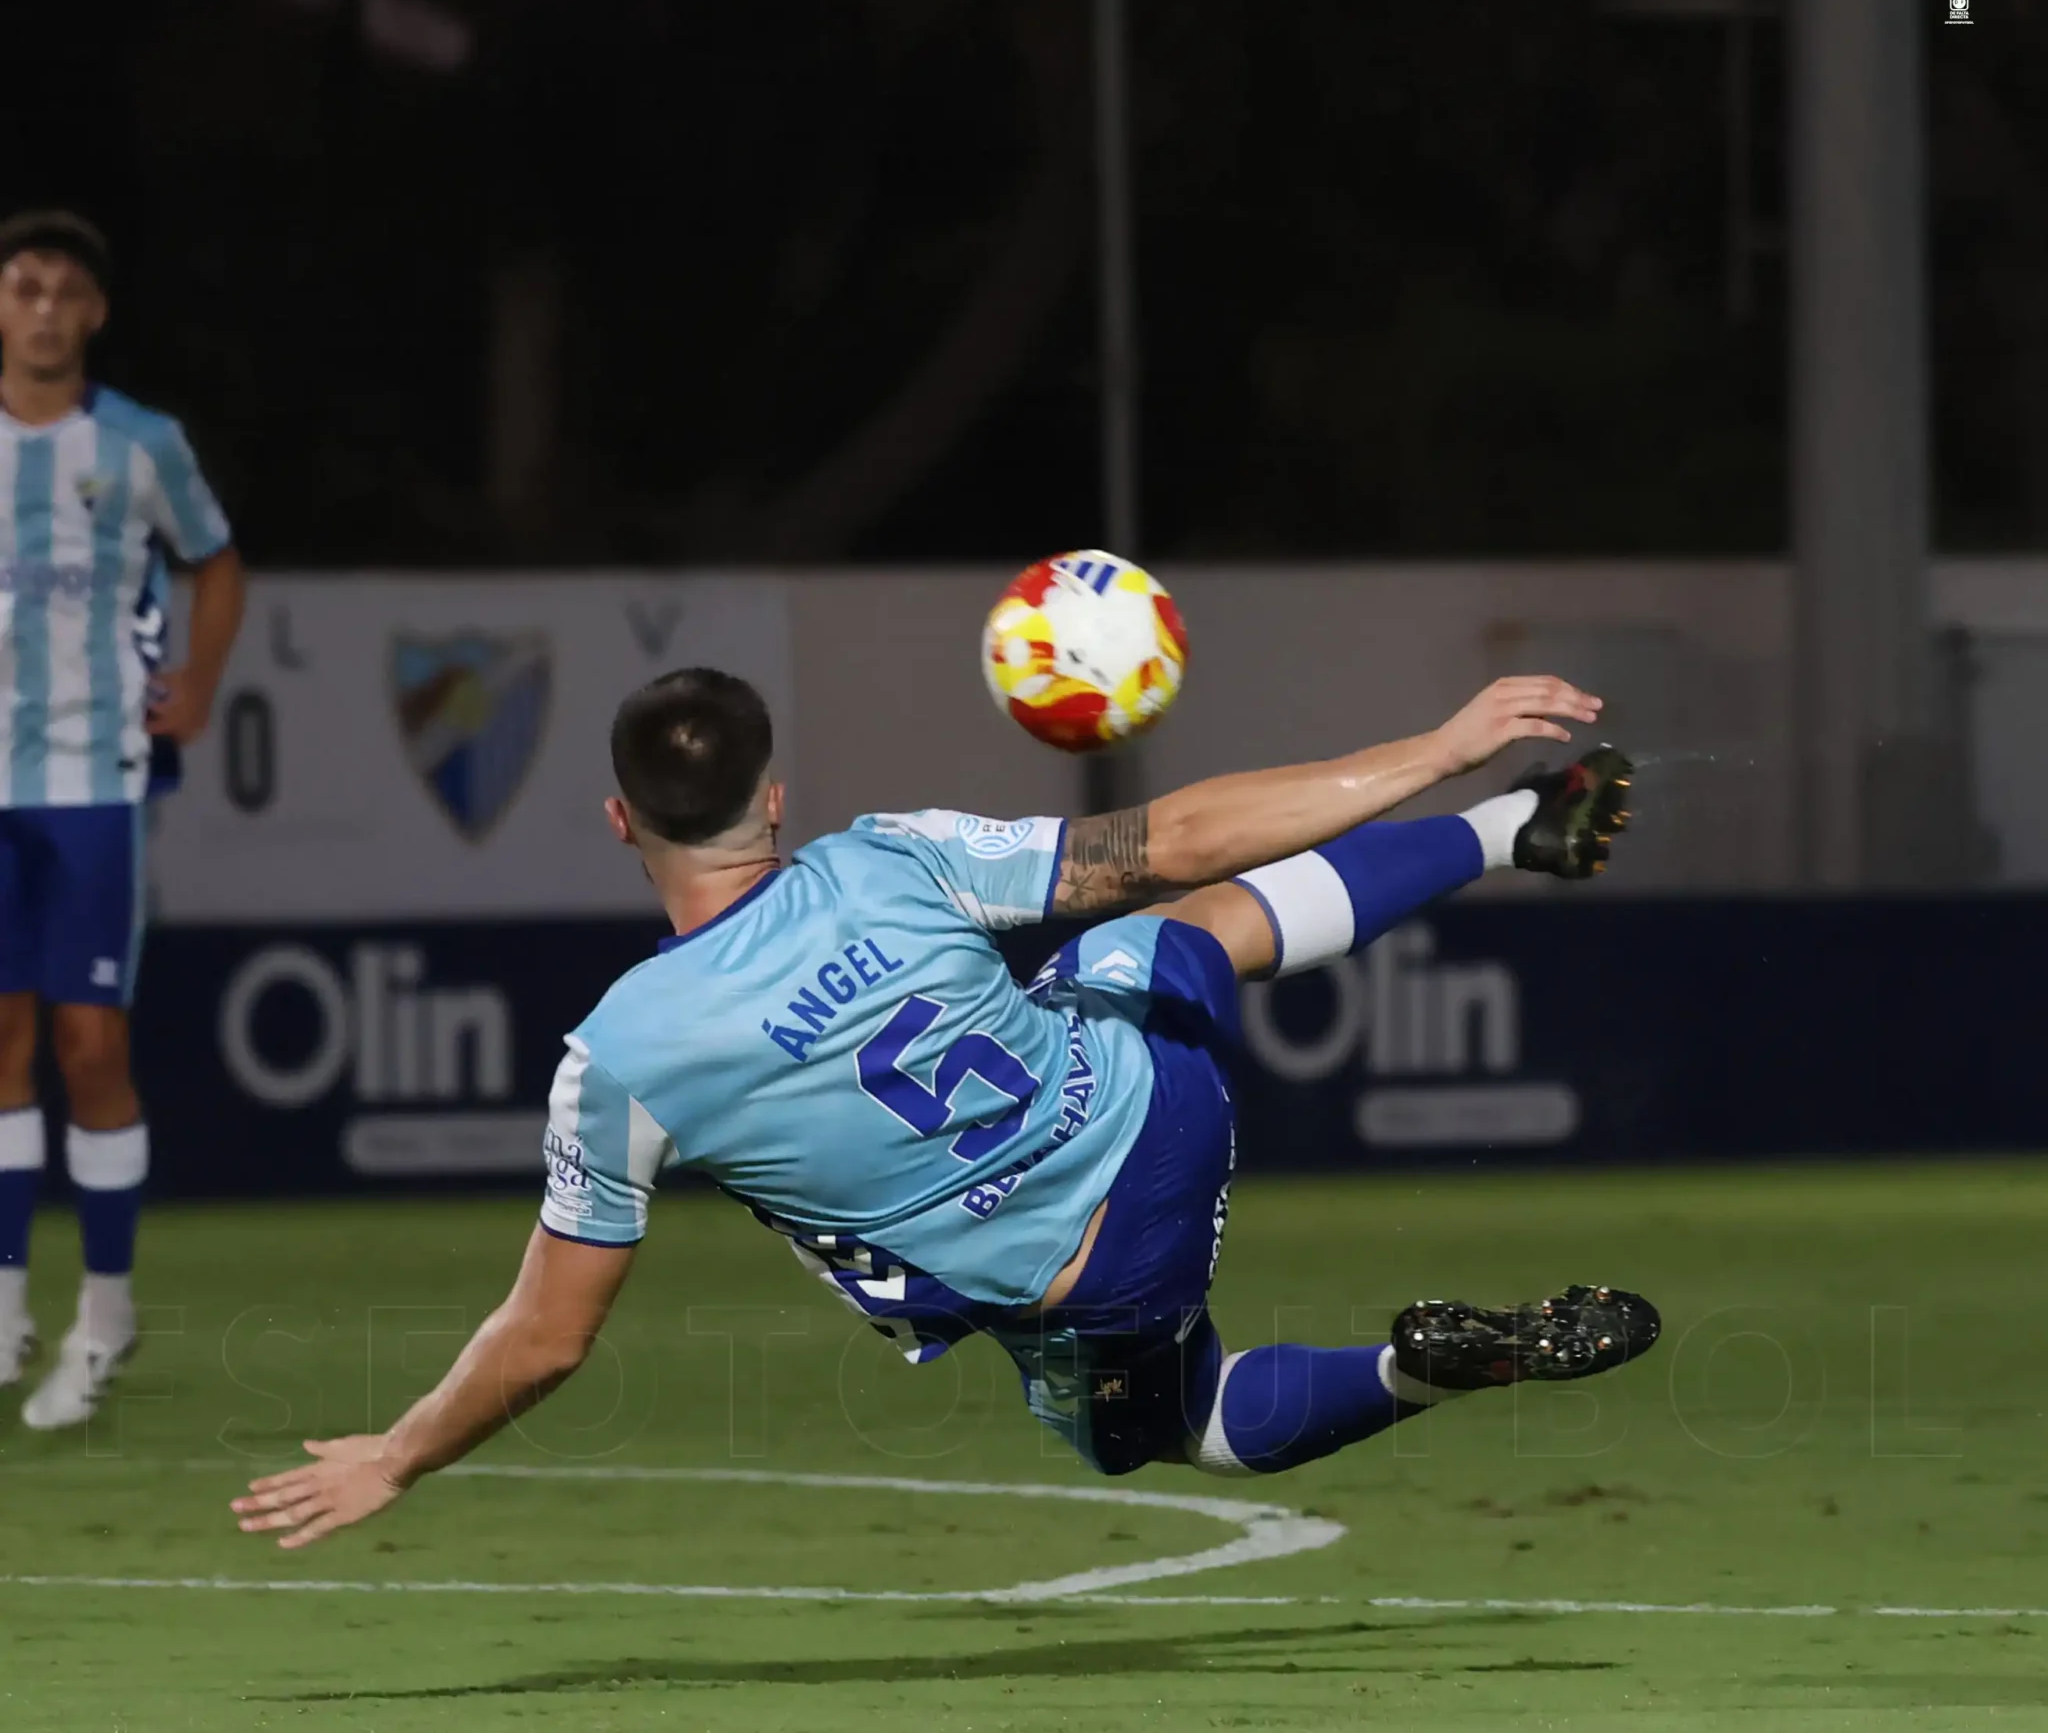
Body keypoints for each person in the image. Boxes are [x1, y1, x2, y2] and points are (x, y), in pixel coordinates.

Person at [234, 663, 1659, 1548]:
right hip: (1162, 1110)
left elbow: (549, 1337)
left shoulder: (620, 1061)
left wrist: (399, 1457)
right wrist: (1437, 750)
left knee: (1186, 1424)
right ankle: (1507, 829)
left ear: (621, 822)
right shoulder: (893, 857)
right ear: (773, 800)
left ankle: (1418, 1372)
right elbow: (1173, 837)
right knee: (1170, 931)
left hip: (1095, 1281)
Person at [0, 208, 246, 1428]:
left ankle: (104, 1311)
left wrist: (196, 681)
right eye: (23, 287)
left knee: (89, 1043)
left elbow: (217, 559)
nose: (43, 309)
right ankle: (4, 1306)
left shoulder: (141, 443)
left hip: (93, 777)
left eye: (64, 292)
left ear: (93, 314)